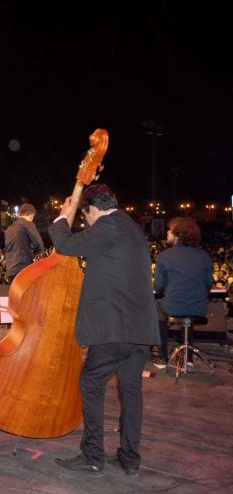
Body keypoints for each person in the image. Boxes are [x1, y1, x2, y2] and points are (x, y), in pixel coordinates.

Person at [48, 184, 159, 477]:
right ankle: (129, 458)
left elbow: (66, 244)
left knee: (91, 383)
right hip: (140, 330)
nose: (88, 221)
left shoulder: (108, 225)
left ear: (93, 209)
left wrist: (62, 216)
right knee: (131, 392)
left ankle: (93, 456)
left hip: (114, 330)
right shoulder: (132, 228)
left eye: (87, 216)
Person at [153, 217, 213, 369]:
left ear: (178, 235)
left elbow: (159, 287)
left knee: (158, 308)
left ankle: (162, 356)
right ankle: (189, 358)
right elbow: (208, 285)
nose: (167, 232)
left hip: (174, 306)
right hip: (199, 308)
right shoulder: (204, 256)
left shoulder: (165, 256)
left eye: (170, 230)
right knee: (188, 309)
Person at [4, 203, 44, 283]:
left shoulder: (9, 228)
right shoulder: (28, 224)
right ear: (31, 215)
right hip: (23, 268)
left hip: (11, 270)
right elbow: (39, 244)